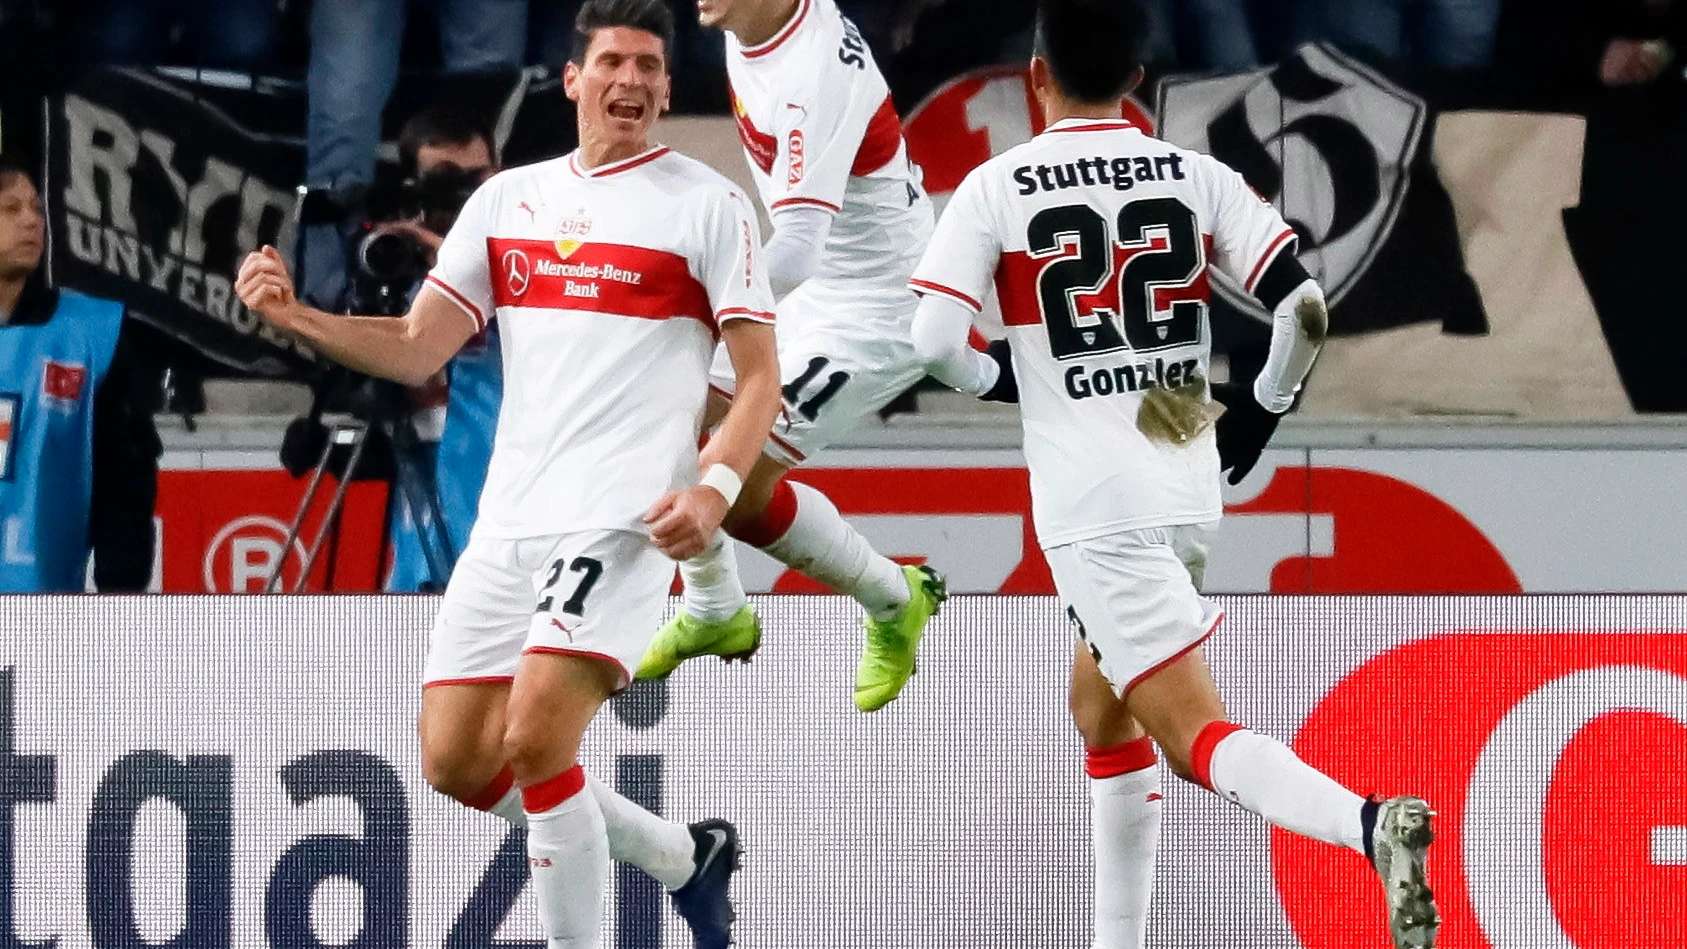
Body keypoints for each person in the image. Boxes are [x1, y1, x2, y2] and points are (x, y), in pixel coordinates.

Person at [234, 3, 781, 946]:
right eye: (612, 61)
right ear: (572, 80)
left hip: (622, 520)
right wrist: (296, 320)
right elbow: (415, 349)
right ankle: (687, 858)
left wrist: (712, 490)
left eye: (651, 67)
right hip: (510, 522)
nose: (634, 82)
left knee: (533, 741)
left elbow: (758, 380)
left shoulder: (708, 202)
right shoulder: (506, 201)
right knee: (453, 760)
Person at [907, 2, 1440, 948]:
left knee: (1194, 738)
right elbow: (1303, 308)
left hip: (1095, 505)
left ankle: (1368, 824)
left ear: (1036, 78)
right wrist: (1265, 408)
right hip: (1188, 480)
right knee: (1099, 708)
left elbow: (934, 342)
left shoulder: (997, 187)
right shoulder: (1197, 174)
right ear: (1141, 80)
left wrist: (1009, 384)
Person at [635, 0, 947, 713]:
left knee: (735, 486)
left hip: (878, 308)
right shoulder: (748, 23)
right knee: (670, 415)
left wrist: (703, 308)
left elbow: (800, 247)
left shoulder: (810, 71)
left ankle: (896, 597)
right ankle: (714, 606)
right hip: (818, 286)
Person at [0, 154, 160, 593]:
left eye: (35, 208)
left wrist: (117, 598)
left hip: (43, 613)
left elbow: (125, 482)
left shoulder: (92, 334)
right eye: (10, 210)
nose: (33, 222)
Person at [381, 105, 505, 593]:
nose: (463, 197)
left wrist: (462, 266)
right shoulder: (397, 263)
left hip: (510, 492)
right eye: (444, 182)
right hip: (431, 488)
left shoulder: (530, 246)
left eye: (476, 179)